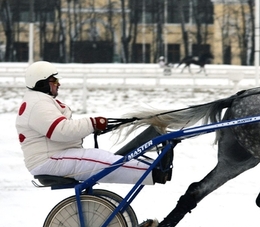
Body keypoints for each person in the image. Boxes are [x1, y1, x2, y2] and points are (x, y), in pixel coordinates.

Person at [16, 61, 172, 185]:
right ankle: (155, 171)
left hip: (54, 156)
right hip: (49, 160)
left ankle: (153, 169)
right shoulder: (38, 103)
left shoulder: (38, 101)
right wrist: (93, 123)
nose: (58, 84)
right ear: (42, 83)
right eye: (54, 80)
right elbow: (61, 130)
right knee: (104, 161)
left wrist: (92, 126)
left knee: (102, 157)